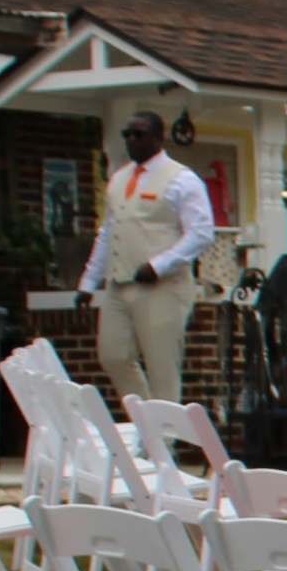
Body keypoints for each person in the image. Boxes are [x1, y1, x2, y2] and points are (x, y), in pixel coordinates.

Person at [77, 108, 216, 402]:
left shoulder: (181, 179)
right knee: (113, 355)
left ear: (157, 137)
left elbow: (202, 233)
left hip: (162, 287)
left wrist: (160, 265)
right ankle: (147, 421)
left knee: (162, 368)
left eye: (138, 134)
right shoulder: (118, 179)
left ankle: (164, 441)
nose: (131, 140)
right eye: (127, 134)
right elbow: (109, 232)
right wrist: (88, 282)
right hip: (119, 283)